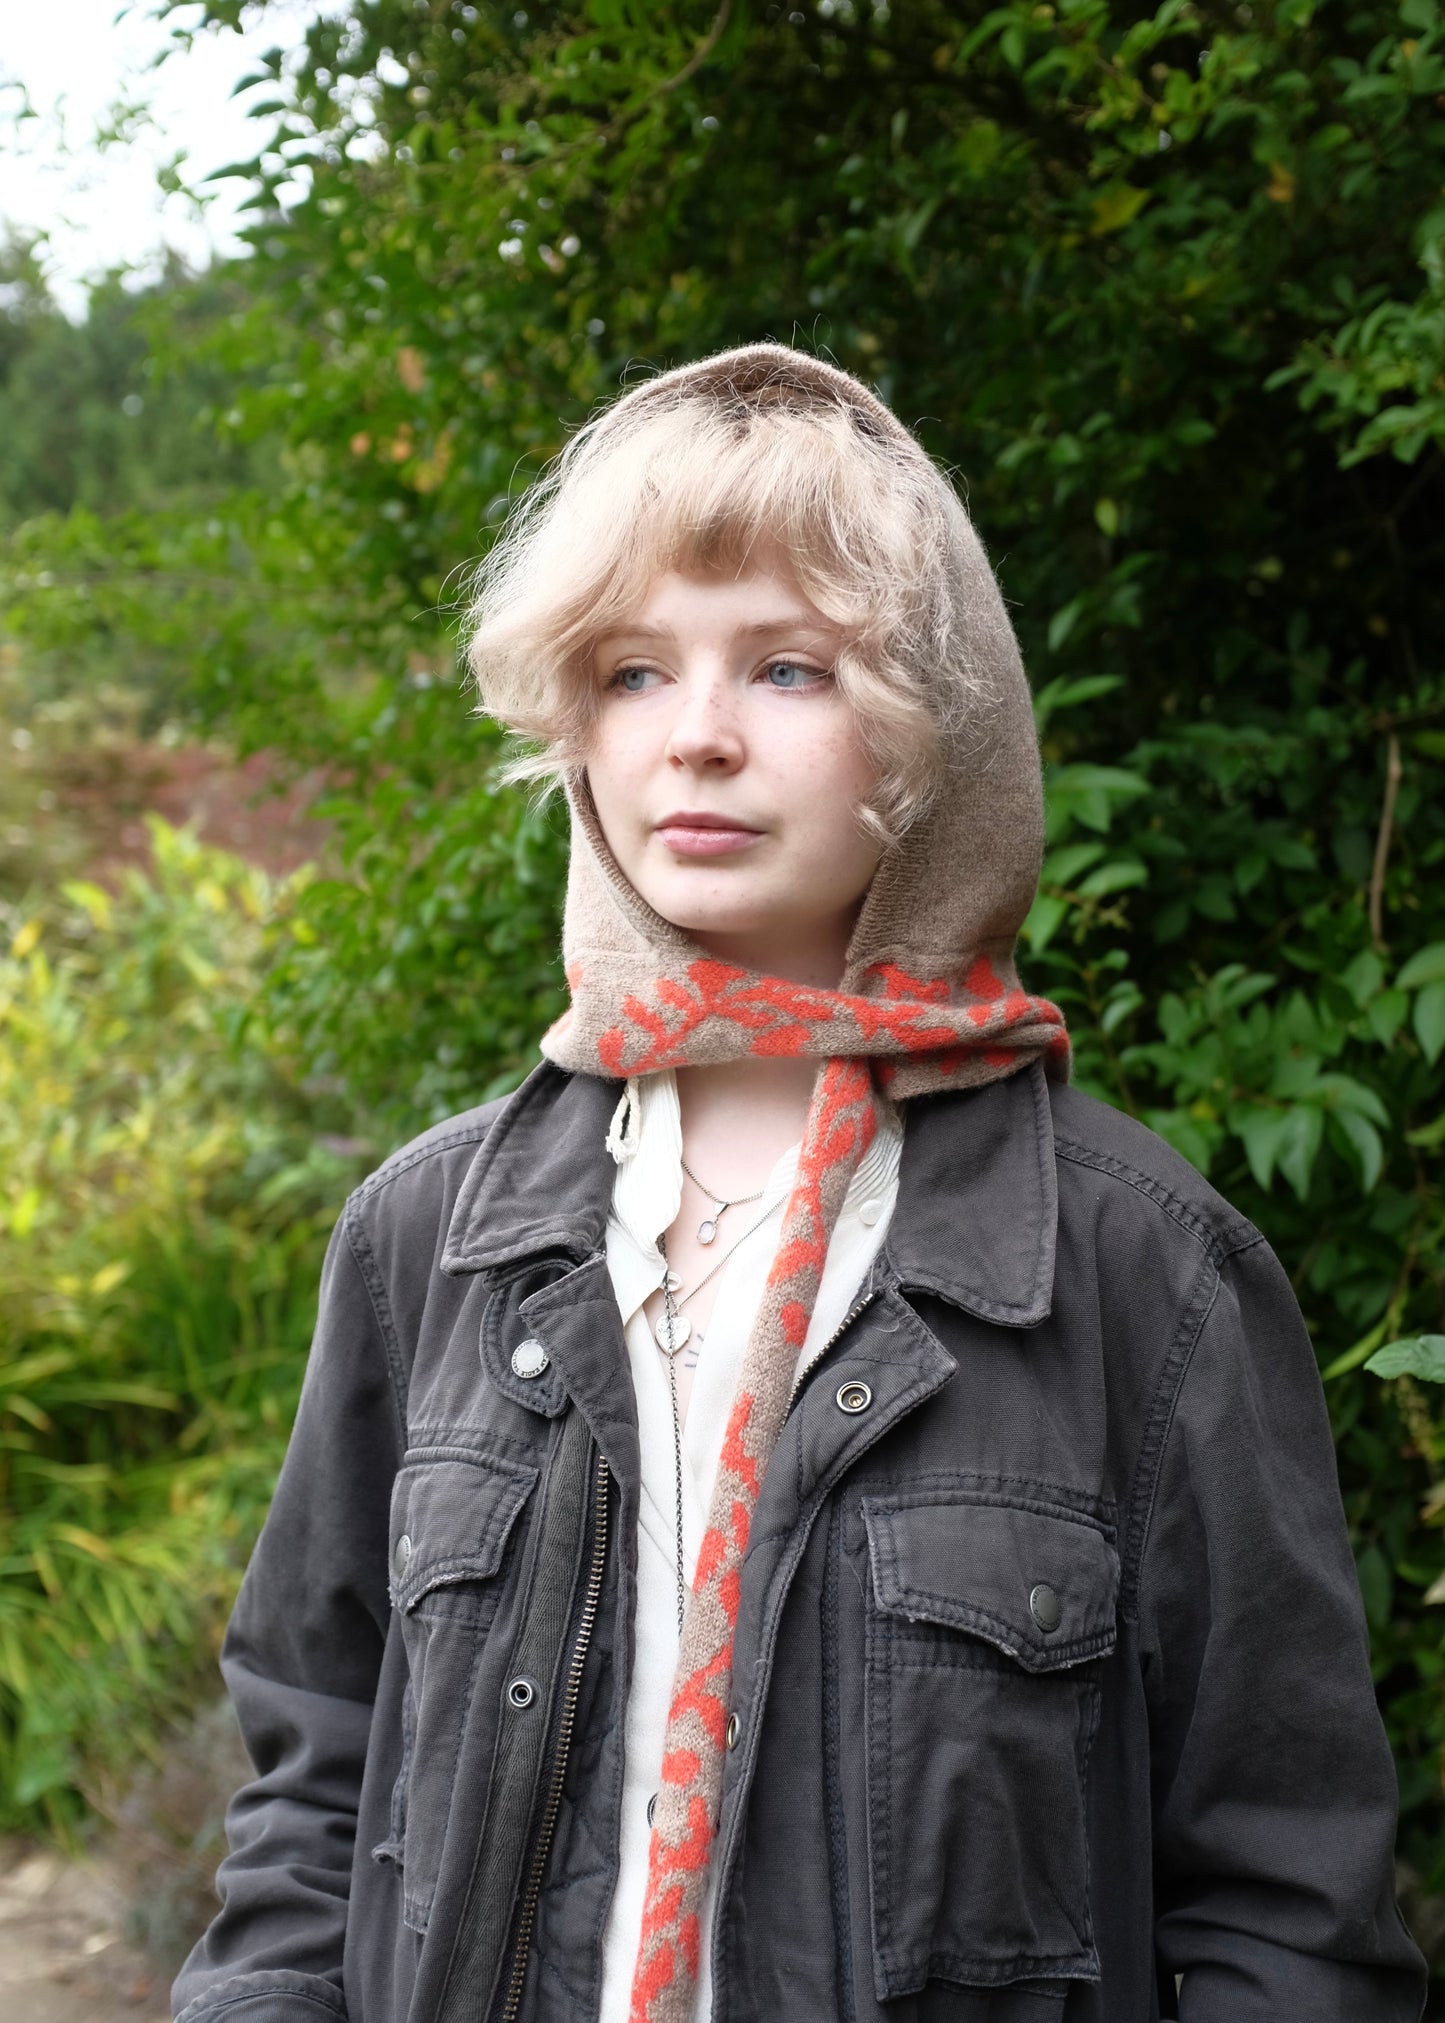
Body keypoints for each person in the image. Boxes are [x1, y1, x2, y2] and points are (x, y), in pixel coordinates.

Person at [172, 346, 1427, 2023]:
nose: (692, 738)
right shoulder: (430, 1241)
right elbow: (311, 1791)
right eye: (629, 672)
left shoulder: (1144, 1273)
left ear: (931, 727)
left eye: (783, 667)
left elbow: (1288, 1915)